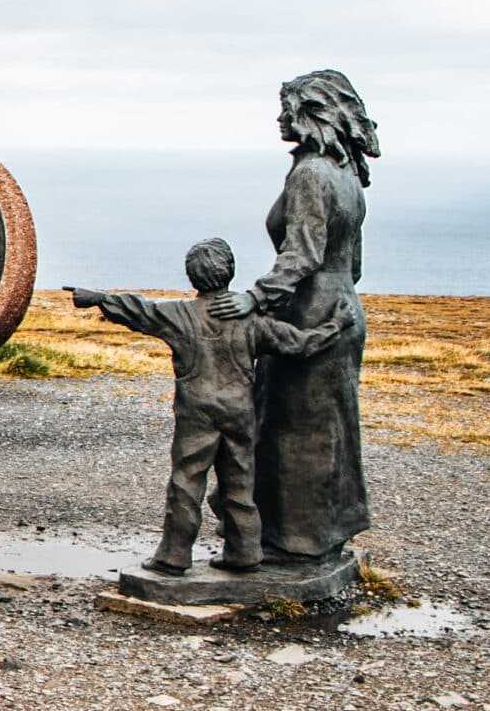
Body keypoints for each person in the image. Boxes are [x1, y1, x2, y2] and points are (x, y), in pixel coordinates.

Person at [74, 237, 353, 575]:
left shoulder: (177, 314)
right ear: (230, 273)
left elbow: (138, 309)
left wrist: (98, 299)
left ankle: (174, 555)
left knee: (187, 480)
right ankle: (245, 551)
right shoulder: (249, 319)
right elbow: (299, 343)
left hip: (197, 411)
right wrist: (336, 325)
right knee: (240, 480)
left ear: (192, 277)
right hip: (239, 411)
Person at [208, 70, 380, 560]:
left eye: (288, 108)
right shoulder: (348, 177)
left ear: (313, 113)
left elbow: (302, 253)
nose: (281, 117)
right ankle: (324, 533)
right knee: (329, 430)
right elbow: (355, 263)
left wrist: (256, 299)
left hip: (307, 315)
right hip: (344, 309)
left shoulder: (309, 174)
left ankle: (291, 541)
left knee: (290, 429)